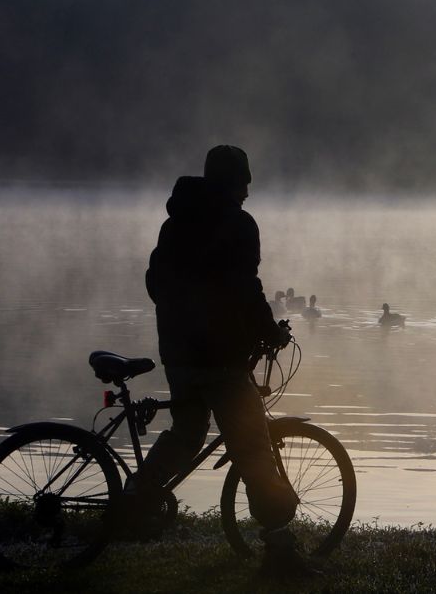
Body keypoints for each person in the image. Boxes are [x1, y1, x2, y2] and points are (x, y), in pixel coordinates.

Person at [133, 145, 316, 577]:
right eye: (245, 180)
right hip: (221, 359)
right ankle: (279, 550)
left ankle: (135, 498)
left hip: (178, 354)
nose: (249, 190)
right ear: (234, 181)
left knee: (187, 433)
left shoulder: (174, 223)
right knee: (253, 447)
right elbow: (245, 289)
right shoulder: (238, 224)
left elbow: (156, 283)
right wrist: (269, 333)